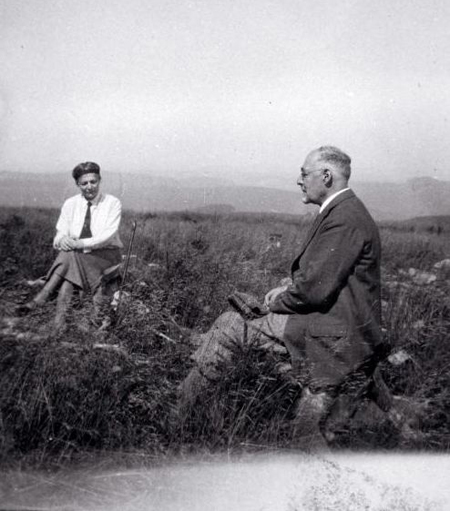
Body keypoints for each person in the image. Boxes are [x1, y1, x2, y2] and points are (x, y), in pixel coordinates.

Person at [178, 146, 400, 447]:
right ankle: (393, 415)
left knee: (231, 325)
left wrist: (274, 303)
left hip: (330, 330)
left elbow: (313, 291)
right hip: (344, 325)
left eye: (304, 173)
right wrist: (288, 288)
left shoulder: (342, 219)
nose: (299, 180)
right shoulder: (347, 211)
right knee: (235, 325)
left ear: (326, 175)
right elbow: (328, 277)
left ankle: (178, 416)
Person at [18, 162, 123, 332]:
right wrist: (63, 240)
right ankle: (59, 323)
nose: (89, 187)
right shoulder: (70, 204)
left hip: (105, 256)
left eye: (93, 181)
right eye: (84, 183)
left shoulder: (112, 203)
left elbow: (107, 236)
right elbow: (59, 235)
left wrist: (79, 243)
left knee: (70, 255)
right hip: (77, 256)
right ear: (77, 185)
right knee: (70, 263)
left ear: (99, 180)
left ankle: (42, 298)